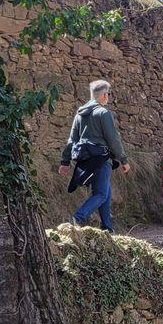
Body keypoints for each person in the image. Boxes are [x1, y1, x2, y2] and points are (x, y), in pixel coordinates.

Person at [59, 80, 130, 232]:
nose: (109, 97)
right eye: (108, 94)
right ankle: (77, 219)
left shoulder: (80, 114)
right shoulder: (104, 113)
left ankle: (108, 228)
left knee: (106, 194)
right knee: (101, 193)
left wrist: (65, 161)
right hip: (101, 158)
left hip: (85, 159)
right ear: (104, 95)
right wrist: (124, 159)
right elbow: (113, 139)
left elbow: (72, 139)